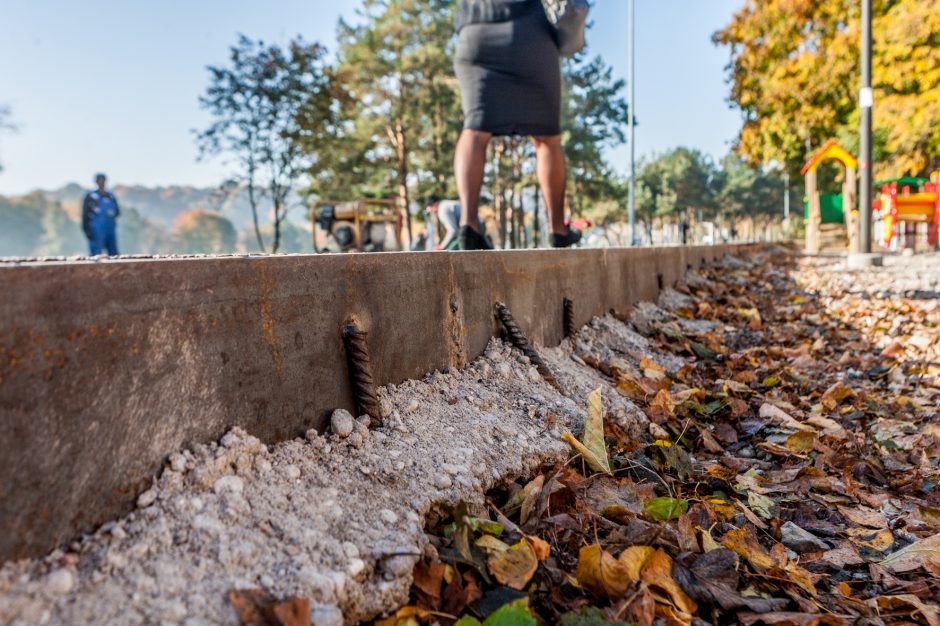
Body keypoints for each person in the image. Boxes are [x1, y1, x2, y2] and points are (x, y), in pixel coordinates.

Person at [454, 0, 581, 250]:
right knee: (547, 139)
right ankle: (557, 230)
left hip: (475, 31)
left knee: (475, 130)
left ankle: (468, 225)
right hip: (528, 31)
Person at [82, 173, 120, 256]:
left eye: (103, 180)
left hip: (110, 229)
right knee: (96, 255)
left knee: (114, 254)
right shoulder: (91, 196)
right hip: (96, 230)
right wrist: (87, 231)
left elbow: (117, 212)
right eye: (100, 180)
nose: (102, 182)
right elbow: (85, 215)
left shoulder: (110, 196)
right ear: (96, 182)